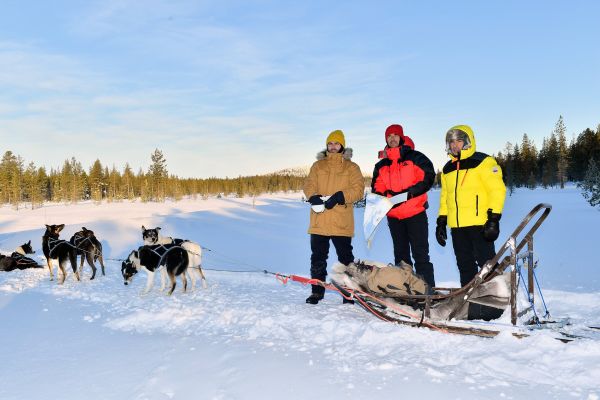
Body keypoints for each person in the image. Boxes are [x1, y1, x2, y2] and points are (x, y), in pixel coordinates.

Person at [436, 125, 507, 287]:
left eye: (459, 141)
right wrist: (441, 222)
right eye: (451, 142)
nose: (454, 145)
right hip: (457, 227)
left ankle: (494, 297)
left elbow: (497, 190)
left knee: (487, 264)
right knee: (464, 265)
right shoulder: (447, 169)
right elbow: (445, 198)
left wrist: (494, 219)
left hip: (479, 224)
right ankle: (468, 299)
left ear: (467, 141)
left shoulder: (484, 161)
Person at [371, 124, 436, 288]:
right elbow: (377, 189)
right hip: (394, 218)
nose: (392, 138)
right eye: (389, 136)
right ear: (386, 139)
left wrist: (410, 193)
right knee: (401, 258)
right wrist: (388, 198)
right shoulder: (381, 165)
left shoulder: (415, 157)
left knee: (421, 256)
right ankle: (405, 292)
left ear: (401, 137)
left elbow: (428, 177)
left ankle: (427, 294)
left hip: (415, 214)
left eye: (395, 135)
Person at [303, 129, 365, 304]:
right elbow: (309, 184)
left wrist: (340, 197)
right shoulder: (318, 166)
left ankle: (348, 293)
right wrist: (312, 196)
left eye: (336, 143)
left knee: (345, 259)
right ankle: (317, 291)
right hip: (320, 220)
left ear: (342, 146)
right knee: (317, 257)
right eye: (330, 143)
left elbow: (358, 190)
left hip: (341, 220)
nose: (333, 146)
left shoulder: (352, 167)